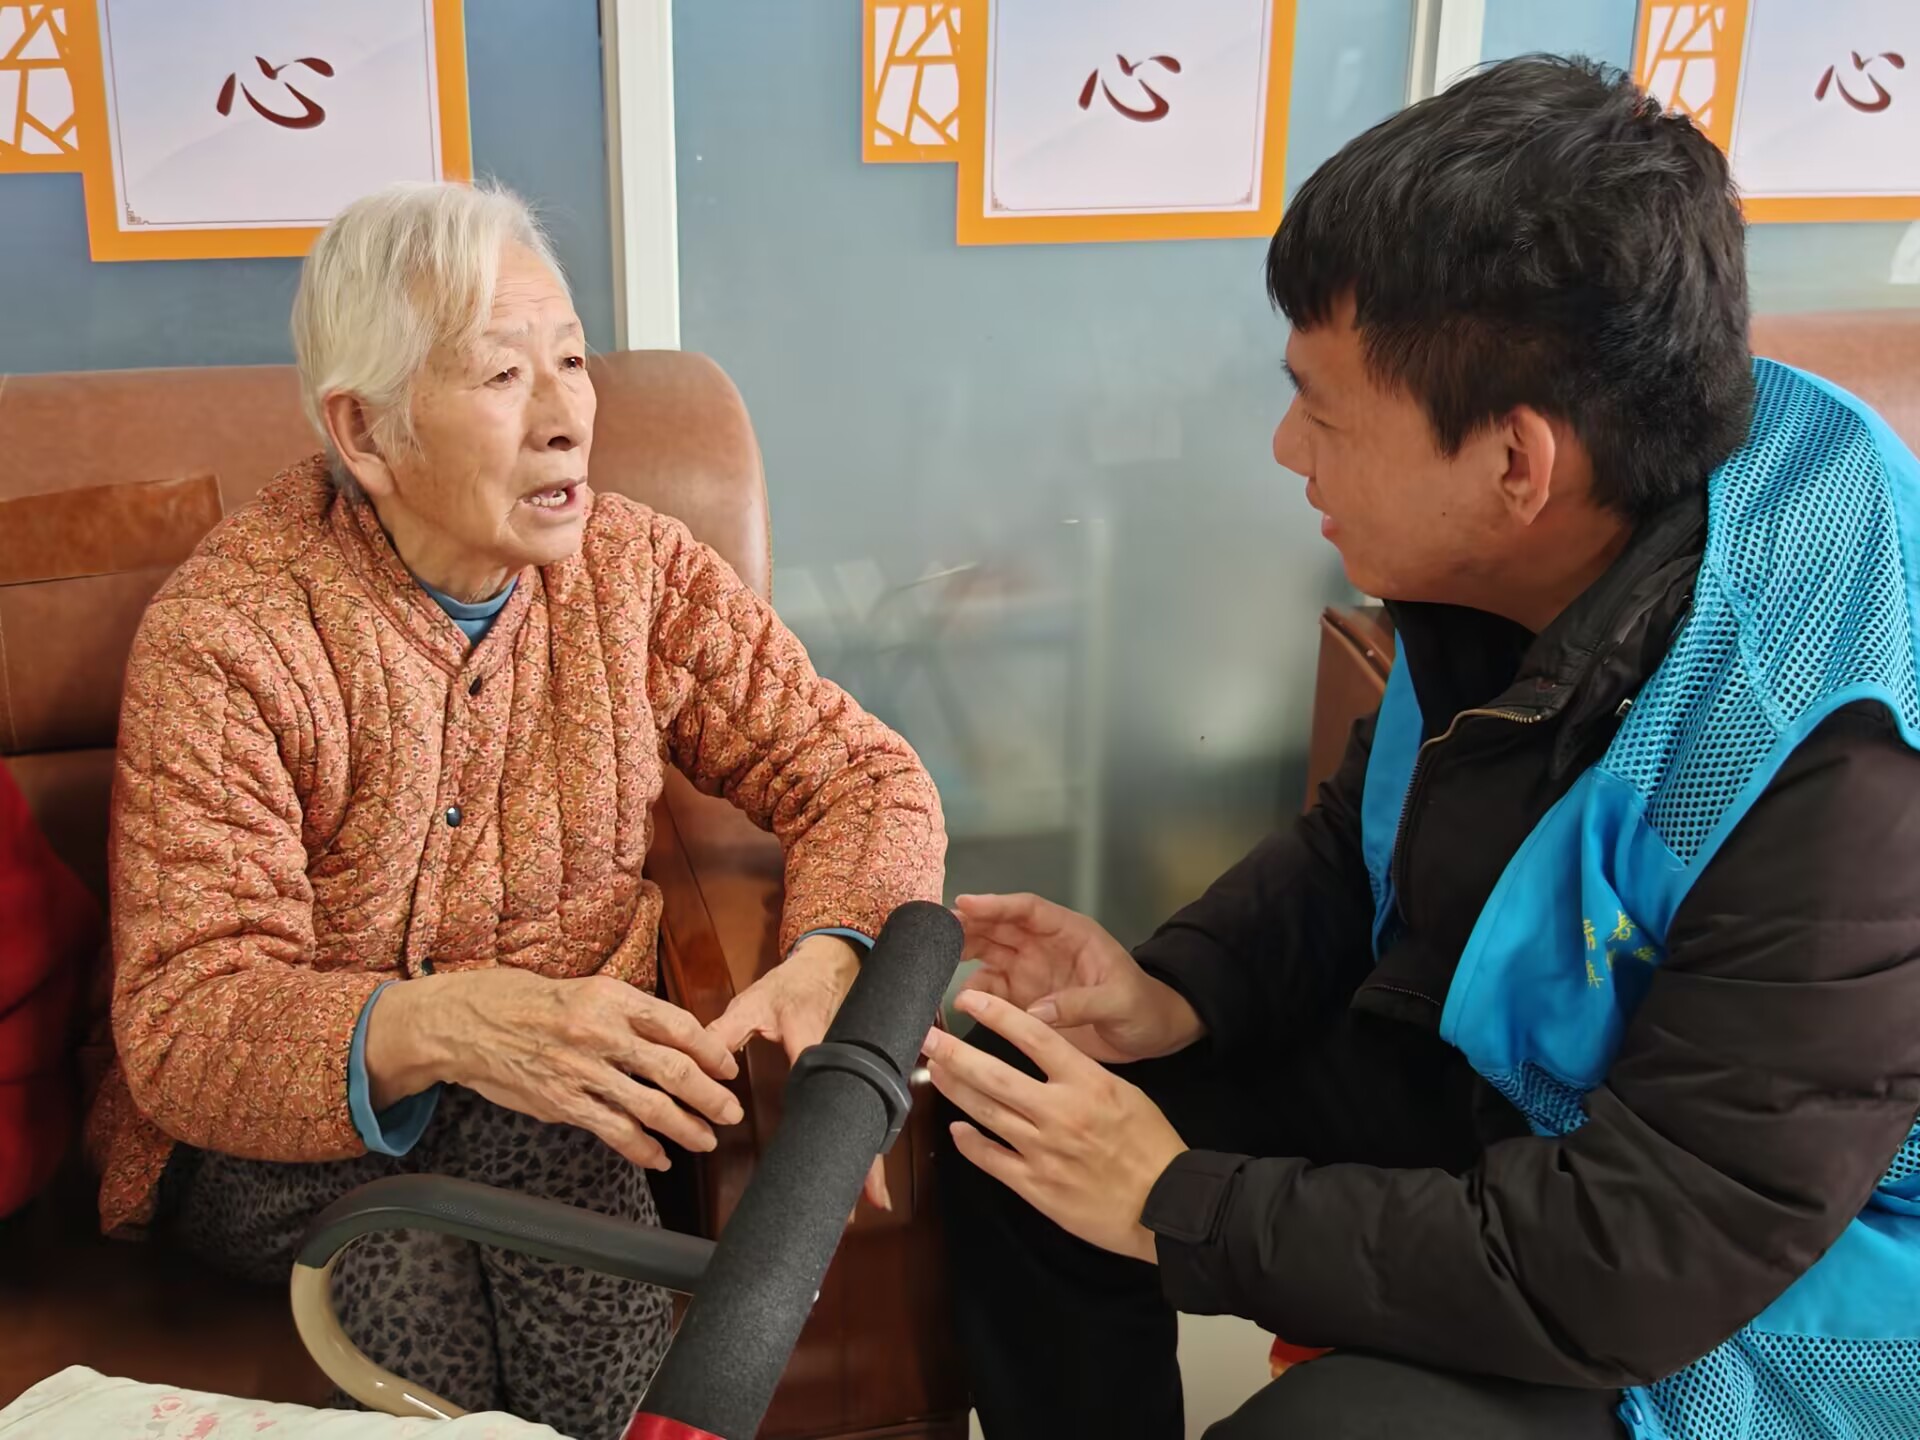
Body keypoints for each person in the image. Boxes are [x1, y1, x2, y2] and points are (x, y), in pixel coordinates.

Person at [929, 56, 1920, 1440]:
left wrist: (1171, 1201)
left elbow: (1645, 1254)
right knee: (1011, 1123)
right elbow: (1369, 838)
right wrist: (1177, 989)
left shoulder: (1836, 763)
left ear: (1517, 465)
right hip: (1525, 1094)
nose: (1287, 449)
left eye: (1326, 413)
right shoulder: (1535, 542)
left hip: (1752, 1288)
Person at [88, 181, 945, 1438]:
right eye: (503, 375)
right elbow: (187, 1024)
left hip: (561, 1106)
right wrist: (449, 1025)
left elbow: (863, 776)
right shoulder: (234, 636)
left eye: (573, 362)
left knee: (446, 1229)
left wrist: (834, 950)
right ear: (366, 431)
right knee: (515, 1172)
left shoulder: (638, 574)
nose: (566, 419)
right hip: (284, 1150)